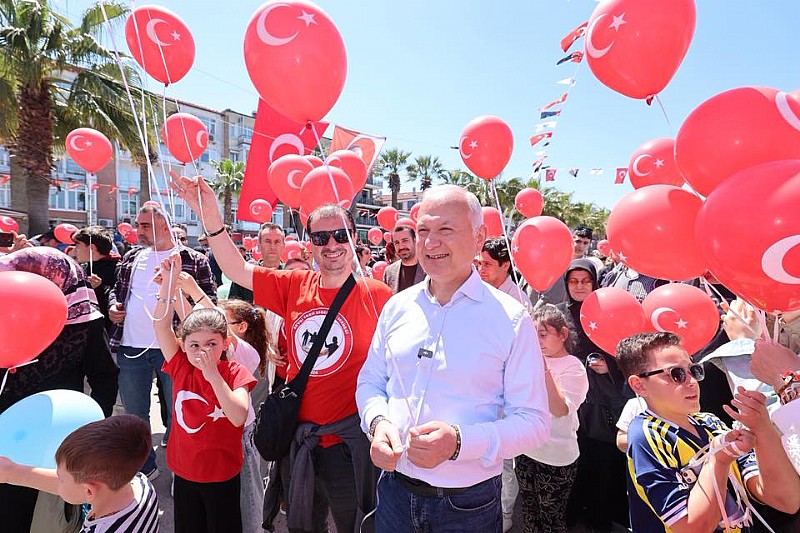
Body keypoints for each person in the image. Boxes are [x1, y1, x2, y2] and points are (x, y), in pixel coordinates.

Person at [171, 171, 393, 533]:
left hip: (349, 445)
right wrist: (210, 215)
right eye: (321, 237)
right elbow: (236, 268)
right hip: (299, 440)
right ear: (309, 244)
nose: (332, 244)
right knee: (303, 525)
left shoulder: (377, 294)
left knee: (356, 525)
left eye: (341, 235)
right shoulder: (294, 284)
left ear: (354, 239)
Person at [356, 185, 551, 532]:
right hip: (394, 492)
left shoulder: (511, 319)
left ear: (479, 238)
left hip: (468, 504)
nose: (431, 242)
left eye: (445, 229)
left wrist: (459, 442)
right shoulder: (396, 308)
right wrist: (378, 423)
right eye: (423, 230)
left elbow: (534, 422)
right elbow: (371, 382)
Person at [617, 332, 800, 532]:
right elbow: (693, 528)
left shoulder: (710, 423)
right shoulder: (645, 434)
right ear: (639, 385)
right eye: (676, 374)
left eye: (693, 370)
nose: (691, 381)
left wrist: (762, 427)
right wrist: (717, 460)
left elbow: (787, 500)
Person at [0, 247, 119, 532]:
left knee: (35, 509)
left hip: (53, 434)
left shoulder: (85, 322)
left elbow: (104, 376)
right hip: (6, 425)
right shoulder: (7, 307)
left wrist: (90, 433)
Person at [107, 203, 216, 478]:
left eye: (145, 225)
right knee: (134, 415)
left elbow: (210, 301)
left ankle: (181, 467)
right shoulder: (132, 257)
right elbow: (117, 291)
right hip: (131, 347)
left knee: (180, 411)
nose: (139, 231)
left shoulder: (192, 259)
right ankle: (145, 467)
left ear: (165, 226)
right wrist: (113, 307)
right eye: (138, 225)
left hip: (176, 349)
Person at [153, 255, 257, 533]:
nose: (203, 351)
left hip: (222, 475)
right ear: (183, 344)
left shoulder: (234, 371)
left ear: (225, 343)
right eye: (195, 345)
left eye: (212, 343)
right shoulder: (180, 364)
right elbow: (161, 325)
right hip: (184, 472)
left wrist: (213, 375)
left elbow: (238, 416)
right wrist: (168, 284)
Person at [559, 258, 632, 532]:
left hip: (602, 404)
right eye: (573, 281)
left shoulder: (607, 313)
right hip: (570, 401)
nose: (579, 286)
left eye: (585, 281)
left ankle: (600, 517)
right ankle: (573, 513)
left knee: (602, 464)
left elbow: (623, 351)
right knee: (574, 461)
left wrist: (608, 366)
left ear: (595, 283)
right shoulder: (560, 315)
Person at [0, 415, 159, 533]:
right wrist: (12, 472)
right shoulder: (140, 484)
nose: (58, 480)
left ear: (89, 491)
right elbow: (79, 488)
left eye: (61, 478)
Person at [516, 304, 588, 533]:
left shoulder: (573, 367)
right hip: (526, 449)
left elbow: (560, 409)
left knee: (551, 518)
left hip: (556, 457)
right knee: (529, 512)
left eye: (543, 334)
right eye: (534, 335)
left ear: (563, 334)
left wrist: (543, 368)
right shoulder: (527, 361)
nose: (537, 341)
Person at [476, 236, 530, 530]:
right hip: (482, 385)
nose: (480, 269)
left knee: (506, 460)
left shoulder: (518, 302)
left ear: (505, 265)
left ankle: (505, 514)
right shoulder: (479, 291)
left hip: (507, 391)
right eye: (479, 263)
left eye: (487, 264)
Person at [72, 226, 119, 332]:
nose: (74, 250)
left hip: (107, 331)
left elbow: (118, 299)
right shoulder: (82, 268)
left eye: (77, 245)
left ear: (91, 248)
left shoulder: (118, 269)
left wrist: (99, 288)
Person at [229, 222, 286, 303]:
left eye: (277, 242)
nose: (272, 247)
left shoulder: (292, 276)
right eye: (267, 241)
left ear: (283, 246)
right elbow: (232, 308)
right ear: (259, 245)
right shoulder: (245, 275)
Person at [382, 224, 425, 293]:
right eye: (397, 243)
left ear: (415, 241)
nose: (401, 246)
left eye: (405, 241)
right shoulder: (389, 272)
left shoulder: (429, 269)